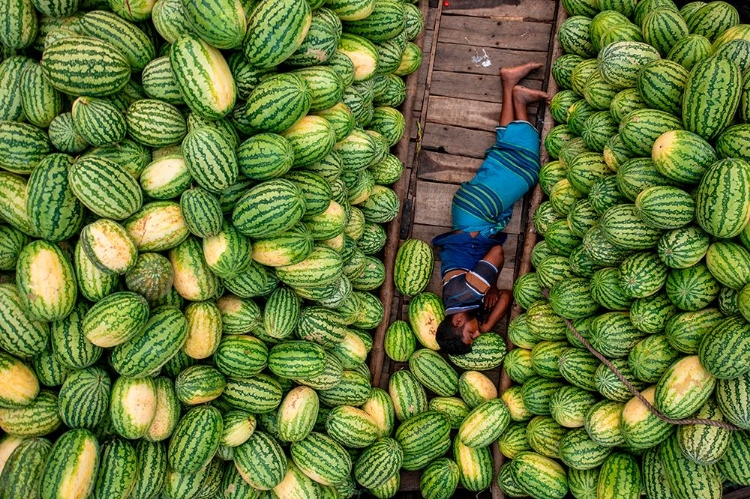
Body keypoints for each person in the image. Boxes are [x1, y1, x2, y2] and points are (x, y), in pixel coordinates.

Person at [433, 62, 549, 354]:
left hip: (477, 216)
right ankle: (509, 83)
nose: (476, 334)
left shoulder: (466, 294)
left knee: (526, 170)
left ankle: (520, 101)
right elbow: (507, 297)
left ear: (457, 321)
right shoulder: (461, 301)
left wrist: (490, 288)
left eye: (471, 335)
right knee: (505, 154)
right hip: (470, 214)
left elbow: (496, 254)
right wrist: (487, 319)